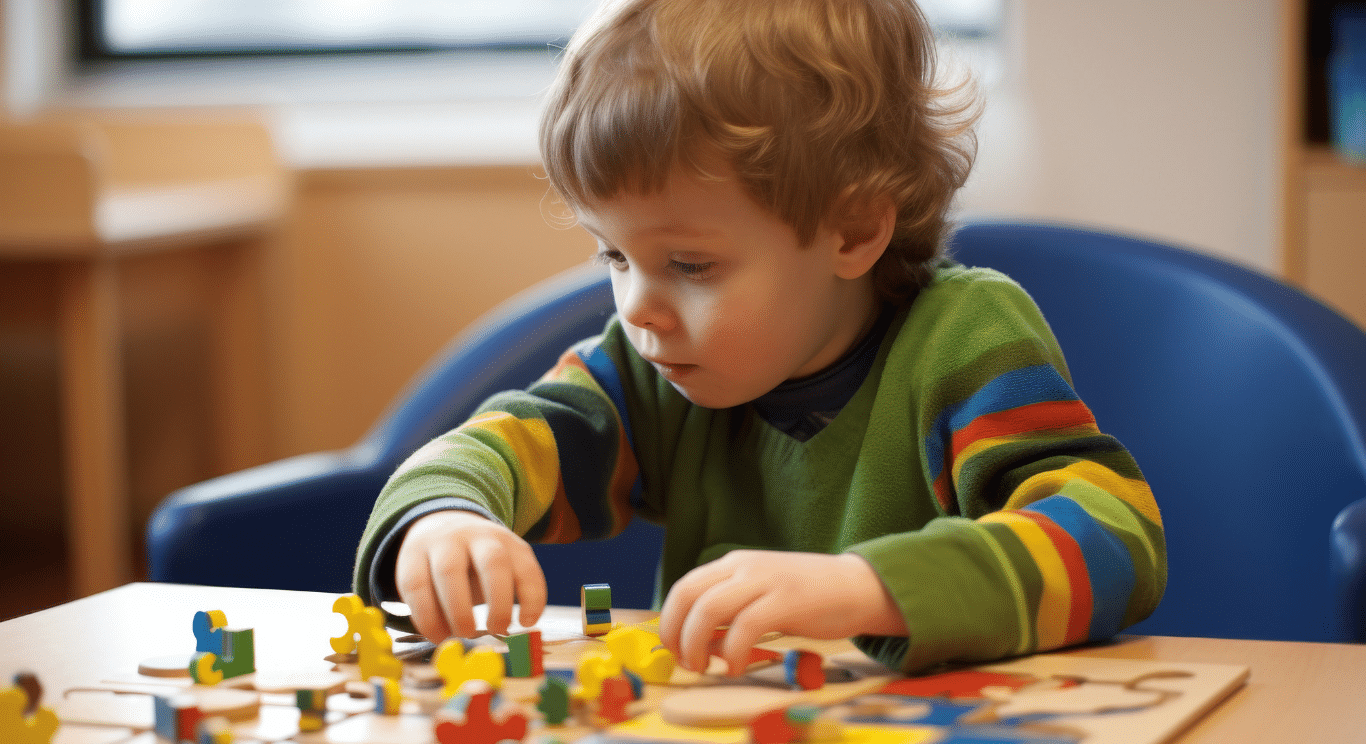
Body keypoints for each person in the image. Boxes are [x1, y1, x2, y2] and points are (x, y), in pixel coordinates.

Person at [352, 0, 1166, 675]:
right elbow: (499, 444)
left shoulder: (964, 339)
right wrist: (447, 518)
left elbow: (1115, 539)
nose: (639, 308)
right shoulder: (648, 376)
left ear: (852, 230)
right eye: (614, 255)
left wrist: (866, 588)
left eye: (691, 265)